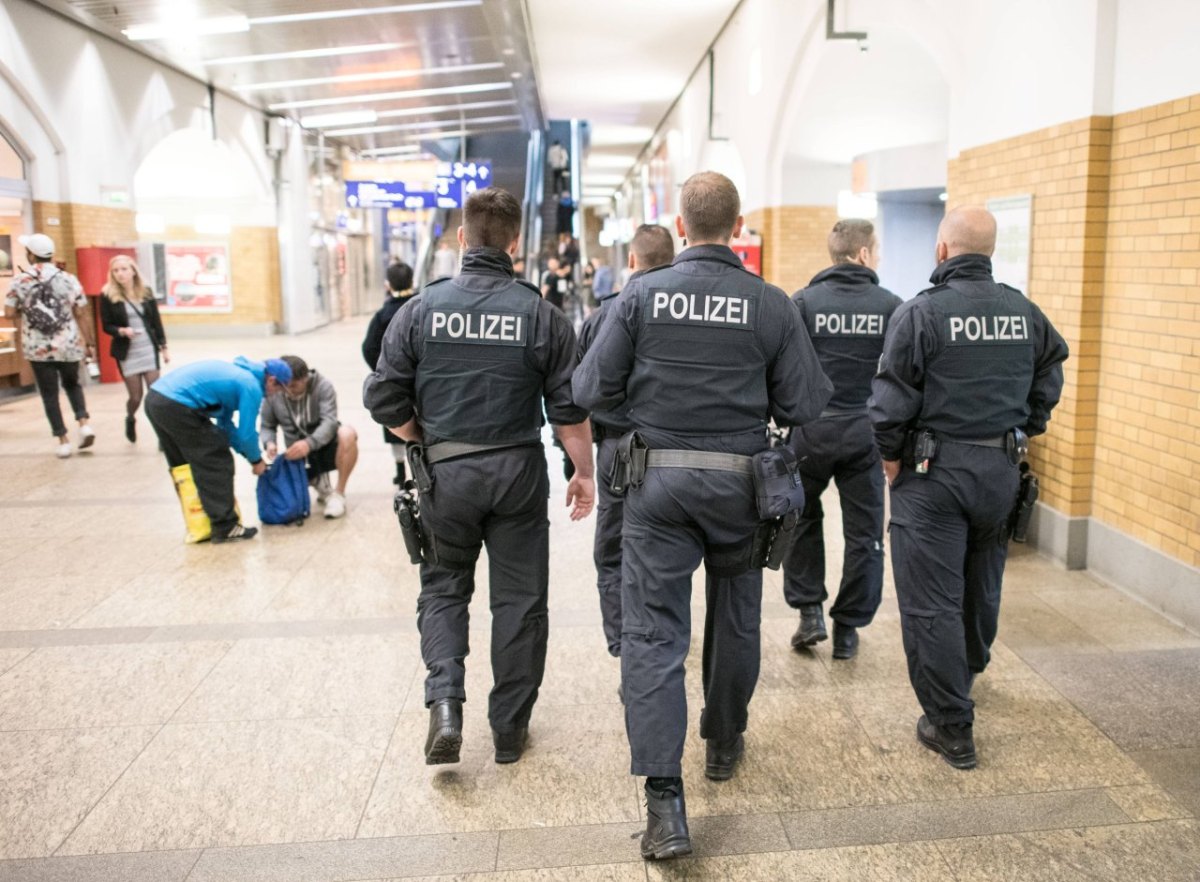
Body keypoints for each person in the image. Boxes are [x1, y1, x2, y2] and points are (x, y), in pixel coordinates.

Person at [573, 172, 832, 860]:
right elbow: (806, 402)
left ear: (682, 228)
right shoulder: (771, 304)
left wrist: (651, 419)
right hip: (741, 487)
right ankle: (722, 740)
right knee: (736, 612)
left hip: (657, 489)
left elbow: (591, 388)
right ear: (737, 225)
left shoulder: (640, 297)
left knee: (655, 637)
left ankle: (665, 804)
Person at [364, 187, 595, 768]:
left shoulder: (420, 309)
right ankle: (510, 730)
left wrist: (423, 439)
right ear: (516, 243)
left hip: (446, 475)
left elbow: (384, 397)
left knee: (444, 588)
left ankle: (445, 702)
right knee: (520, 602)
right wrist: (583, 471)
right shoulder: (542, 314)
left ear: (461, 239)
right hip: (517, 471)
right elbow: (568, 411)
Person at [869, 205, 1068, 770]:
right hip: (999, 470)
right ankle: (969, 670)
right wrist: (1028, 423)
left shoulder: (922, 314)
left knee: (931, 600)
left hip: (933, 477)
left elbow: (889, 401)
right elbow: (1052, 366)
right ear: (989, 252)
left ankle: (951, 726)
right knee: (983, 582)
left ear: (942, 251)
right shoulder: (1022, 311)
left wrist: (889, 457)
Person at [784, 219, 902, 660]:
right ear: (865, 254)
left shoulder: (804, 303)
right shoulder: (892, 307)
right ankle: (848, 628)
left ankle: (809, 611)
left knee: (800, 521)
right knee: (865, 533)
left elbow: (785, 372)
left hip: (809, 432)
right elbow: (901, 378)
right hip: (865, 434)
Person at [577, 224, 675, 665]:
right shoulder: (683, 311)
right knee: (667, 546)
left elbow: (579, 392)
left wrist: (576, 464)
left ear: (631, 261)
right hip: (674, 449)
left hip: (616, 449)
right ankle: (662, 634)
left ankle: (623, 645)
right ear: (673, 260)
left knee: (613, 550)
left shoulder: (602, 316)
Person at [146, 356, 294, 543]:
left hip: (156, 400)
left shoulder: (239, 376)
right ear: (271, 380)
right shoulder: (251, 387)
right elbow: (247, 433)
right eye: (280, 389)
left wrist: (248, 456)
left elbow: (226, 426)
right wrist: (256, 460)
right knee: (216, 459)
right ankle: (225, 526)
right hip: (176, 405)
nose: (275, 394)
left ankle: (199, 524)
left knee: (183, 464)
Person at [3, 233, 96, 458]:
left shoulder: (20, 280)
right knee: (73, 385)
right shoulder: (68, 279)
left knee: (49, 393)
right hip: (68, 343)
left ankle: (62, 440)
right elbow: (81, 311)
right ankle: (83, 424)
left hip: (37, 346)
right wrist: (89, 342)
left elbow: (8, 312)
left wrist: (28, 310)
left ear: (31, 254)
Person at [260, 355, 358, 519]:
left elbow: (330, 421)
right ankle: (319, 484)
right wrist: (269, 442)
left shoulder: (323, 386)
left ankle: (339, 493)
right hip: (296, 454)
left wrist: (309, 443)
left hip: (324, 445)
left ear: (306, 378)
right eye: (286, 386)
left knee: (348, 433)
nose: (289, 391)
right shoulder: (275, 390)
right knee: (288, 501)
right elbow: (266, 425)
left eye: (294, 386)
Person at [99, 254, 169, 443]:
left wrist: (163, 347)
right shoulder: (107, 295)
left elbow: (156, 321)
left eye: (124, 269)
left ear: (133, 271)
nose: (120, 274)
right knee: (136, 397)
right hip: (127, 351)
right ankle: (130, 418)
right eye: (116, 270)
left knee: (155, 394)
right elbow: (106, 325)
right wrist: (121, 331)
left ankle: (162, 436)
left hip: (148, 347)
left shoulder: (145, 292)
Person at [362, 261, 417, 486]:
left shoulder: (383, 315)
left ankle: (399, 469)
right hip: (422, 381)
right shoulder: (422, 305)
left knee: (397, 422)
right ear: (412, 281)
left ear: (387, 284)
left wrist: (382, 369)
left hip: (395, 382)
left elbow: (368, 347)